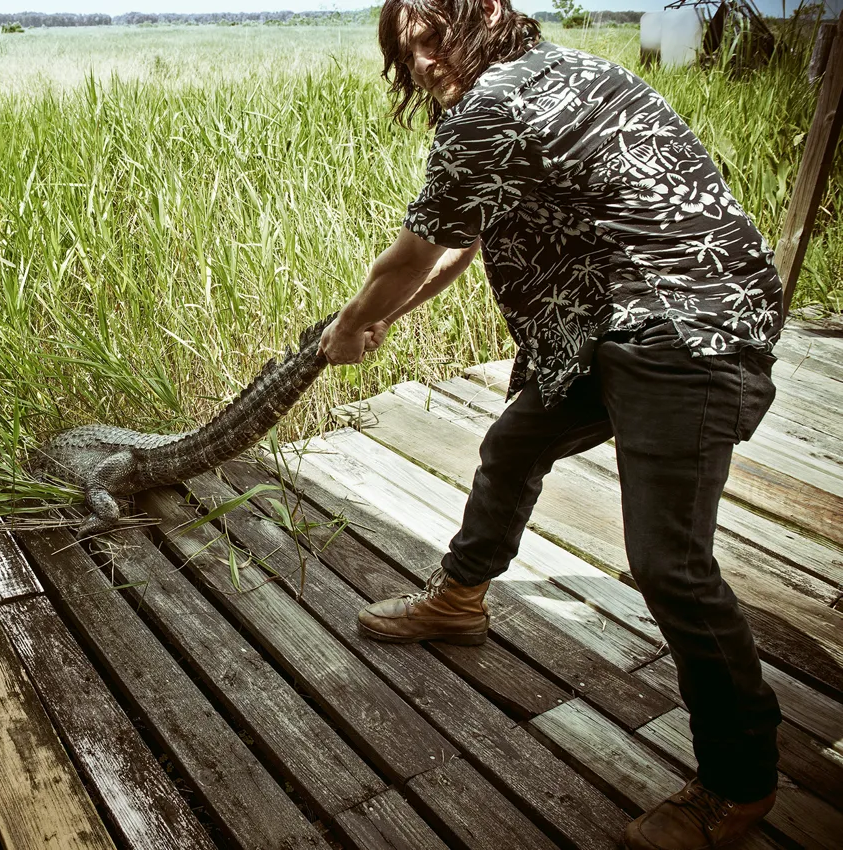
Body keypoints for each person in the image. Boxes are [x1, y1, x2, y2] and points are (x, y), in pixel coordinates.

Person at [318, 2, 784, 848]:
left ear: (488, 17)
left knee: (669, 565)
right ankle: (460, 600)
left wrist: (350, 327)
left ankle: (739, 782)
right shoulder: (553, 76)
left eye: (433, 36)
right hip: (608, 326)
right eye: (405, 48)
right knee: (514, 443)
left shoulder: (492, 105)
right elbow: (459, 244)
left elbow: (413, 252)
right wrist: (390, 319)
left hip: (688, 335)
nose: (421, 60)